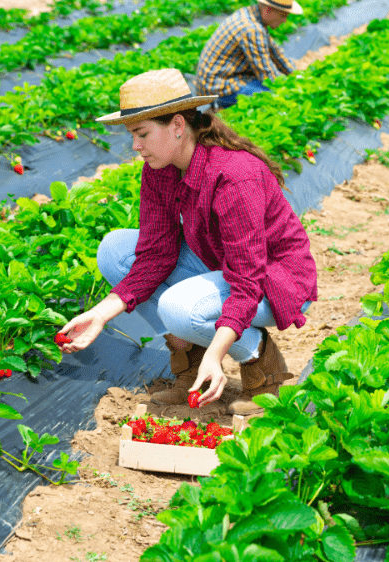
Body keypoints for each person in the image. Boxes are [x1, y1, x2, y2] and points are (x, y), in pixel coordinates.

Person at [58, 68, 318, 416]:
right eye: (132, 136)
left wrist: (218, 353)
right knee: (114, 250)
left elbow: (247, 280)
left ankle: (259, 360)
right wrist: (100, 315)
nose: (135, 146)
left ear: (178, 126)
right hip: (221, 269)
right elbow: (154, 255)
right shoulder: (160, 170)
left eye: (142, 134)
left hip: (274, 283)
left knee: (178, 308)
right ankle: (190, 362)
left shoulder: (234, 176)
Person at [195, 0, 302, 109]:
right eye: (283, 15)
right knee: (272, 97)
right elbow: (266, 74)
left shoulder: (250, 15)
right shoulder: (251, 28)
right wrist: (290, 90)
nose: (284, 21)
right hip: (217, 88)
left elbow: (276, 54)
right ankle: (219, 105)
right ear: (268, 10)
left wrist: (297, 76)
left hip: (226, 77)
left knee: (272, 89)